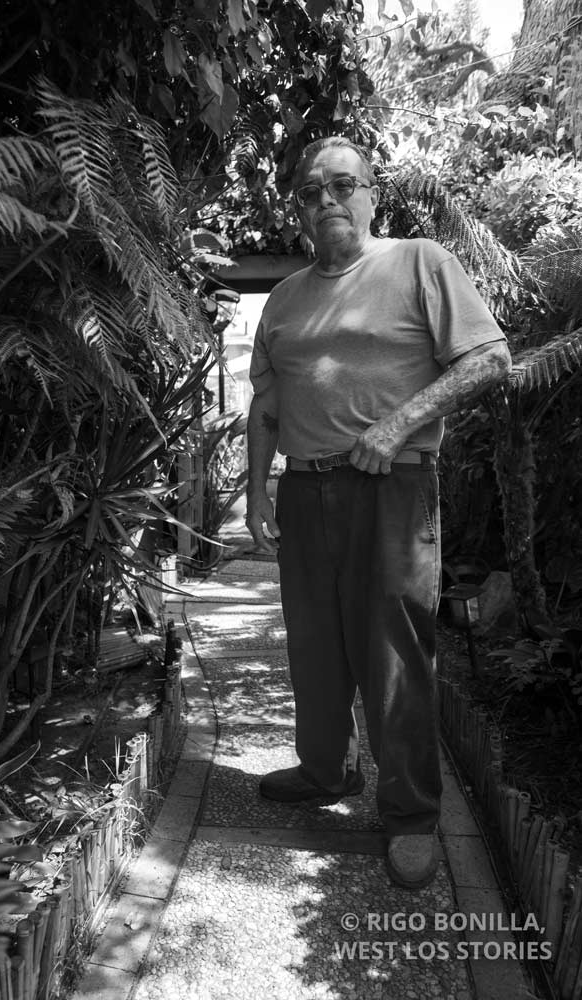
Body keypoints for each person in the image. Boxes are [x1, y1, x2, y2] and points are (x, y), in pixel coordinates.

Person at [245, 136, 511, 891]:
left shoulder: (419, 261)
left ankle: (408, 815)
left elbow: (488, 358)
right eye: (308, 191)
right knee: (313, 644)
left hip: (390, 489)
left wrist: (396, 424)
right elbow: (267, 402)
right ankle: (325, 770)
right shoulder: (285, 296)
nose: (325, 200)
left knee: (394, 654)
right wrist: (256, 489)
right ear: (295, 208)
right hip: (305, 491)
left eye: (341, 185)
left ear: (370, 194)